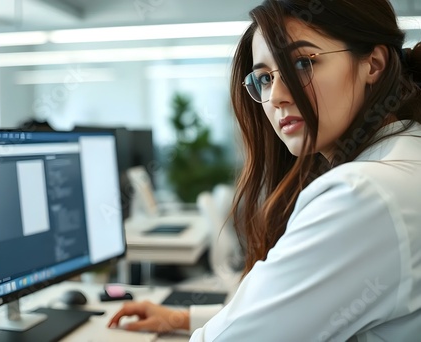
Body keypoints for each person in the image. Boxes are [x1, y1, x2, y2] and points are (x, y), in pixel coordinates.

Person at [108, 0, 421, 340]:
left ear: (373, 64)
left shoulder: (362, 194)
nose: (277, 96)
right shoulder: (403, 154)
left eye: (302, 63)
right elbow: (301, 305)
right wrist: (184, 317)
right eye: (264, 78)